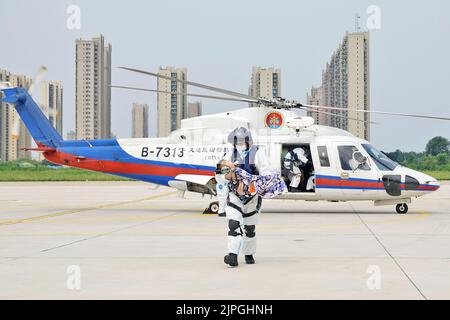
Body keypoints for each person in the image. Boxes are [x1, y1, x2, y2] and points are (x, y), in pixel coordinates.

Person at [215, 127, 271, 267]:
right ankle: (232, 255)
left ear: (248, 141)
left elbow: (266, 173)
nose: (240, 144)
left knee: (249, 228)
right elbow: (220, 177)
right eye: (237, 142)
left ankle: (248, 253)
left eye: (242, 141)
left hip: (252, 197)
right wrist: (228, 174)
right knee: (233, 225)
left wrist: (256, 183)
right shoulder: (228, 154)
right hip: (234, 196)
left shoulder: (258, 153)